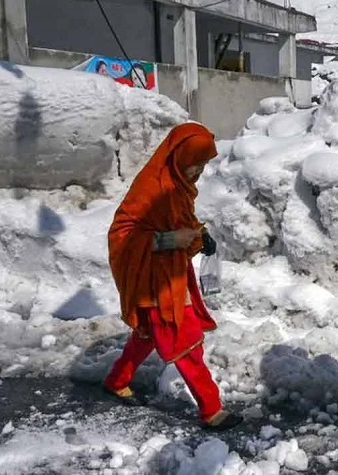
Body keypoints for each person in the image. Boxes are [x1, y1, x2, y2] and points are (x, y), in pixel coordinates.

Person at [102, 122, 242, 431]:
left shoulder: (178, 184)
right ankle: (211, 409)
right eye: (196, 164)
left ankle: (117, 379)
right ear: (179, 158)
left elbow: (181, 222)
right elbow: (123, 235)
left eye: (204, 165)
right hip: (153, 281)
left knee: (149, 334)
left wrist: (199, 236)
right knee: (184, 339)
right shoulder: (151, 188)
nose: (200, 171)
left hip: (171, 274)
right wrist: (169, 240)